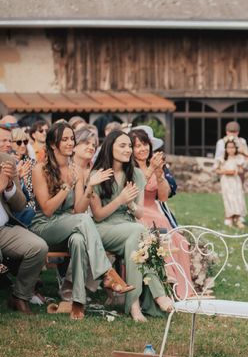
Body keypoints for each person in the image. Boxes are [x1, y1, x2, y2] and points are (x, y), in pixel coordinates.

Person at [30, 122, 132, 320]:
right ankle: (106, 274)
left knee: (78, 240)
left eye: (71, 139)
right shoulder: (39, 169)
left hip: (70, 223)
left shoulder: (75, 168)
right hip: (43, 227)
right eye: (65, 139)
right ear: (52, 144)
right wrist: (67, 186)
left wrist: (90, 187)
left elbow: (78, 209)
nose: (70, 143)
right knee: (83, 221)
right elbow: (48, 209)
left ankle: (77, 303)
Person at [90, 130, 173, 322]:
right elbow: (98, 215)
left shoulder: (135, 174)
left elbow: (140, 213)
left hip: (129, 227)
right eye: (123, 145)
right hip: (104, 228)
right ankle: (158, 296)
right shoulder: (98, 175)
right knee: (139, 233)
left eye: (129, 146)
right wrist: (120, 199)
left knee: (135, 239)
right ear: (110, 147)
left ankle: (135, 306)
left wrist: (131, 204)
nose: (128, 150)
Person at [130, 127, 195, 299]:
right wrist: (151, 168)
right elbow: (135, 193)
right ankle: (166, 280)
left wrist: (159, 174)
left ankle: (183, 288)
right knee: (158, 232)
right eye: (137, 146)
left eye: (144, 144)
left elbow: (164, 197)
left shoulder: (156, 164)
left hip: (155, 210)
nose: (142, 149)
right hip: (138, 211)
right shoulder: (130, 167)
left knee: (180, 240)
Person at [0, 150, 48, 315]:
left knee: (38, 247)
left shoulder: (6, 161)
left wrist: (10, 187)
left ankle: (20, 296)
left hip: (3, 229)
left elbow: (20, 205)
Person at [214, 137, 247, 228]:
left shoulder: (238, 158)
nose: (230, 150)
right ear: (226, 148)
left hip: (235, 180)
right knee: (229, 198)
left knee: (238, 197)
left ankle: (238, 218)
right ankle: (230, 217)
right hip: (226, 181)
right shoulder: (222, 159)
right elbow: (216, 170)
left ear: (235, 148)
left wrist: (236, 171)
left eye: (232, 147)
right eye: (228, 147)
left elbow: (241, 170)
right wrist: (225, 172)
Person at [10, 127, 36, 226]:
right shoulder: (6, 162)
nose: (23, 145)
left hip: (31, 203)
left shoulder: (32, 163)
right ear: (11, 143)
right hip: (15, 206)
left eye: (25, 142)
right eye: (18, 142)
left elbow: (33, 193)